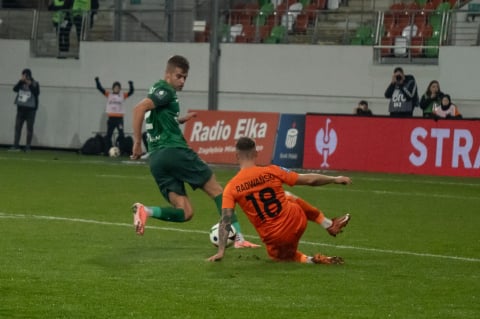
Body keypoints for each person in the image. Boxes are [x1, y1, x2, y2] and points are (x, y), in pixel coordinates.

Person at [130, 55, 259, 249]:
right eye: (179, 76)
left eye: (185, 78)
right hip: (174, 151)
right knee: (219, 191)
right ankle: (239, 238)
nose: (182, 81)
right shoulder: (166, 90)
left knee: (186, 212)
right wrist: (137, 142)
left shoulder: (155, 89)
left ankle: (145, 211)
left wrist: (180, 120)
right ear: (168, 74)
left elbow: (160, 119)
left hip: (157, 159)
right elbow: (139, 108)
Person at [208, 136, 352, 264]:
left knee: (280, 257)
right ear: (256, 153)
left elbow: (226, 220)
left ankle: (311, 260)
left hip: (274, 238)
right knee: (287, 195)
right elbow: (309, 180)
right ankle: (327, 225)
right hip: (296, 220)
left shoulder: (231, 187)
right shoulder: (272, 170)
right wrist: (334, 179)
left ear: (236, 156)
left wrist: (221, 251)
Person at [95, 77, 134, 153]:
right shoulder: (109, 95)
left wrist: (131, 84)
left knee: (121, 135)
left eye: (118, 88)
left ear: (120, 89)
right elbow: (100, 88)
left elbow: (131, 92)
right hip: (111, 118)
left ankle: (122, 150)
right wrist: (97, 81)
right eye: (115, 87)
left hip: (119, 119)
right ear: (113, 88)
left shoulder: (122, 96)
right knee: (108, 135)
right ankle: (107, 151)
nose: (116, 89)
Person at [10, 69, 40, 152]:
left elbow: (37, 93)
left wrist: (29, 84)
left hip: (31, 111)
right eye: (23, 75)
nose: (24, 77)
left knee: (29, 129)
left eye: (25, 75)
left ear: (29, 76)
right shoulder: (21, 83)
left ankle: (27, 146)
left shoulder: (35, 83)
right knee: (17, 128)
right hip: (21, 110)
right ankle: (15, 145)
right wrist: (20, 81)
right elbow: (15, 89)